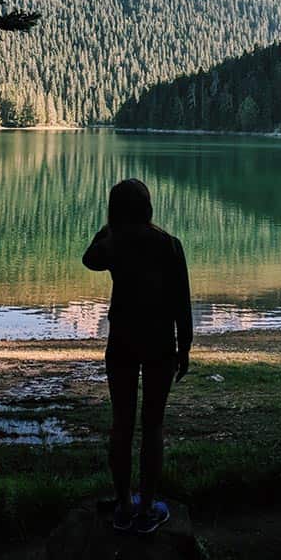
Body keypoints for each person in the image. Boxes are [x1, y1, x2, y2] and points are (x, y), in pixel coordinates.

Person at [82, 178, 192, 535]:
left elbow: (89, 258)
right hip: (160, 343)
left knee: (122, 425)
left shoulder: (114, 245)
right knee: (153, 425)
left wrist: (110, 227)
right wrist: (185, 348)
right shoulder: (169, 245)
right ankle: (147, 507)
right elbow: (182, 302)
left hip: (122, 342)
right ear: (148, 206)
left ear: (114, 210)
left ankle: (123, 504)